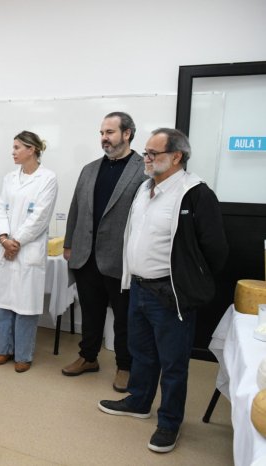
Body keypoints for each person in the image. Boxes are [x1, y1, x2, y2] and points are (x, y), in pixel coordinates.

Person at [99, 128, 228, 453]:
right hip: (139, 288)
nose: (146, 158)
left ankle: (169, 422)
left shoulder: (195, 194)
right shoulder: (145, 189)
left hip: (170, 294)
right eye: (146, 152)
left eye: (153, 153)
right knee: (142, 353)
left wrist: (188, 282)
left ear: (177, 156)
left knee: (173, 363)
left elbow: (215, 250)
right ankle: (139, 401)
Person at [62, 111, 147, 392]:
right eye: (102, 133)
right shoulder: (89, 169)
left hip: (121, 258)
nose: (104, 138)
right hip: (86, 256)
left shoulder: (143, 170)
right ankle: (88, 357)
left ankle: (125, 366)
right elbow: (76, 208)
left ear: (127, 134)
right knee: (90, 312)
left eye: (110, 132)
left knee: (124, 318)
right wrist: (69, 244)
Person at [0, 131, 58, 373]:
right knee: (4, 302)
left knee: (26, 305)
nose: (13, 152)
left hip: (27, 249)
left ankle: (23, 355)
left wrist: (16, 241)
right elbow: (0, 209)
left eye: (17, 147)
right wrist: (3, 238)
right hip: (7, 247)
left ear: (32, 149)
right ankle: (4, 349)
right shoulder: (9, 178)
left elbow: (40, 217)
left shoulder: (47, 179)